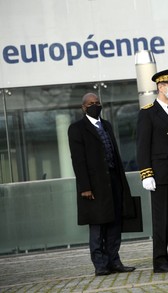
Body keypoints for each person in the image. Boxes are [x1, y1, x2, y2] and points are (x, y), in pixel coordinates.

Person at [68, 92, 136, 276]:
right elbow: (78, 160)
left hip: (113, 180)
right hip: (94, 185)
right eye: (91, 103)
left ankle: (114, 261)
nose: (95, 105)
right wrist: (85, 187)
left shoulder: (106, 125)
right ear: (84, 107)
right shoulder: (77, 129)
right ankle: (100, 264)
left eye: (97, 102)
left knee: (115, 223)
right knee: (98, 226)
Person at [136, 69, 168, 273]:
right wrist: (146, 173)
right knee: (162, 220)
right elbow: (142, 145)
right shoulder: (148, 112)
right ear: (160, 87)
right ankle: (160, 260)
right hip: (161, 173)